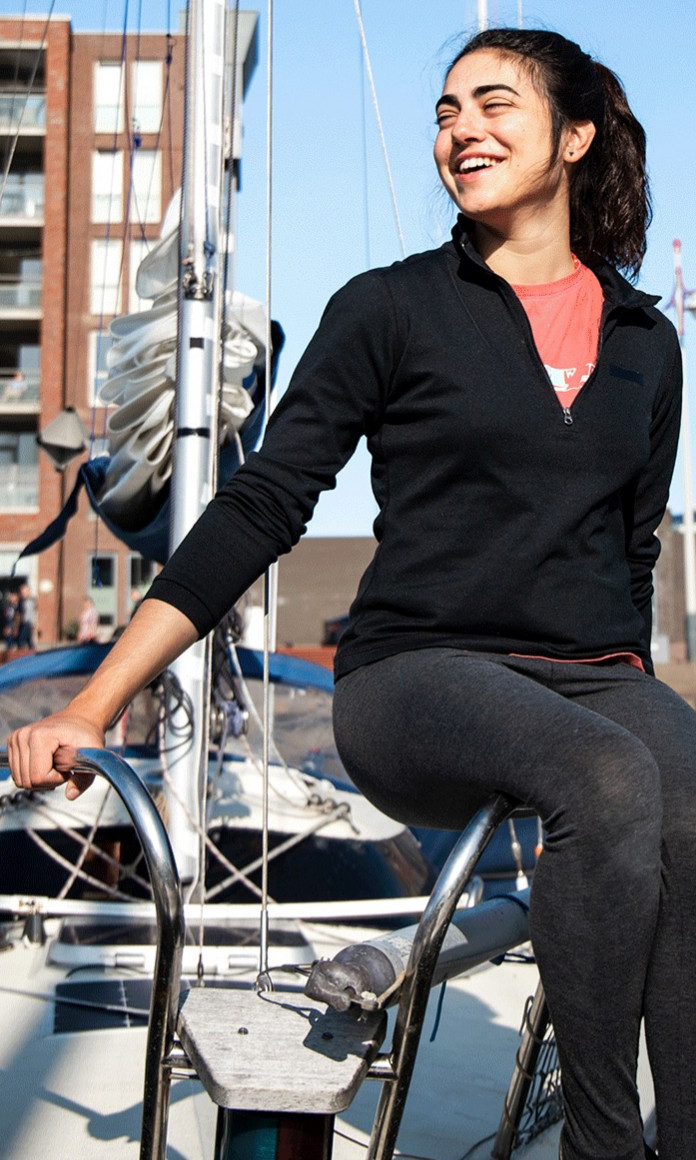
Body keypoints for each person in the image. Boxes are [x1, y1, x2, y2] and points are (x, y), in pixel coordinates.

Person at [7, 27, 690, 1160]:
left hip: (593, 673)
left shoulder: (646, 342)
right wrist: (90, 703)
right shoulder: (391, 307)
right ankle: (603, 1147)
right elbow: (260, 508)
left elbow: (630, 554)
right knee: (609, 775)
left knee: (690, 787)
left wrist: (645, 703)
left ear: (574, 137)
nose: (460, 130)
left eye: (494, 105)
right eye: (445, 111)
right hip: (419, 673)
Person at [15, 581, 36, 650]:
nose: (22, 593)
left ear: (28, 591)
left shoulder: (31, 601)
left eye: (24, 592)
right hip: (22, 623)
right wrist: (17, 626)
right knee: (29, 641)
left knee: (20, 641)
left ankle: (20, 657)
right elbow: (18, 614)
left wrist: (34, 624)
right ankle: (34, 653)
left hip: (27, 623)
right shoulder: (21, 601)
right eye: (21, 592)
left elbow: (32, 613)